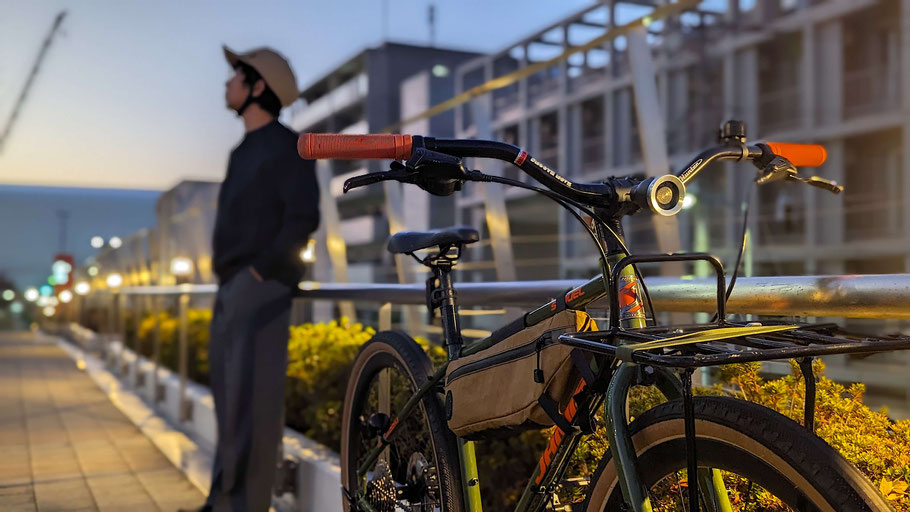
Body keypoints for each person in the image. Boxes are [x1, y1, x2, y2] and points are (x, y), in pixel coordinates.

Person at [181, 45, 319, 512]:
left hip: (262, 287)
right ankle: (222, 501)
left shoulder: (288, 146)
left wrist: (259, 272)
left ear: (258, 86)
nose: (226, 84)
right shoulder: (241, 150)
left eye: (235, 75)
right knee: (228, 403)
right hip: (232, 286)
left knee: (253, 407)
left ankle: (243, 507)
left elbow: (303, 218)